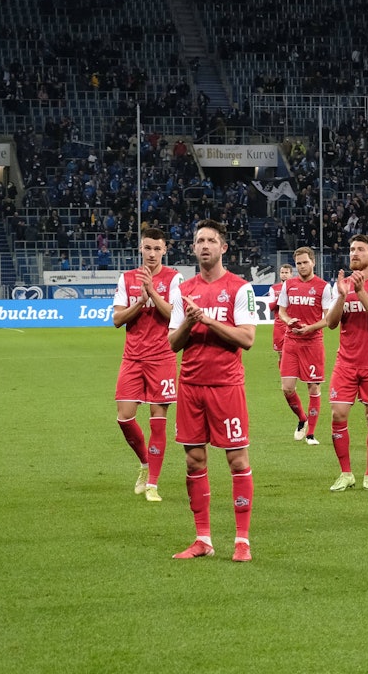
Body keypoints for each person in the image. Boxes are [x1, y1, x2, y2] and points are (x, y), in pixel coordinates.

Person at [168, 219, 257, 562]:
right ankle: (202, 538)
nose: (204, 246)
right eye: (199, 241)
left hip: (226, 386)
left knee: (237, 459)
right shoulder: (183, 290)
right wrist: (189, 322)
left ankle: (242, 541)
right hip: (190, 386)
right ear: (193, 248)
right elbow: (173, 344)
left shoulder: (240, 288)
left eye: (211, 240)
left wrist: (207, 320)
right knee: (194, 460)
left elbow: (247, 339)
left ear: (223, 247)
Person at [113, 227, 182, 502]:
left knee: (158, 422)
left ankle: (153, 483)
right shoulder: (127, 278)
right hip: (132, 357)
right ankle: (144, 463)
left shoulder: (174, 278)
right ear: (140, 249)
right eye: (147, 248)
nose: (152, 253)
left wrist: (152, 291)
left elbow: (174, 315)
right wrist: (140, 302)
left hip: (162, 357)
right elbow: (117, 320)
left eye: (157, 248)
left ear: (165, 250)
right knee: (124, 417)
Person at [324, 234, 368, 493]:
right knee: (338, 414)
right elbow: (331, 323)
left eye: (360, 249)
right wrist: (342, 297)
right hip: (345, 363)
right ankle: (346, 473)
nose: (354, 253)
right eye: (352, 249)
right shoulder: (340, 285)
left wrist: (361, 292)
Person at [277, 249, 334, 445]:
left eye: (305, 262)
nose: (301, 266)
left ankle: (311, 434)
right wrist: (288, 321)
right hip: (291, 341)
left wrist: (309, 328)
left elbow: (328, 319)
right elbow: (282, 311)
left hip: (312, 343)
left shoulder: (323, 287)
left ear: (313, 262)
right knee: (287, 388)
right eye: (298, 263)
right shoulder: (288, 285)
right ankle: (302, 418)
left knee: (313, 387)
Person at [269, 263, 294, 365]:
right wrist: (280, 298)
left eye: (286, 273)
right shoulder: (274, 288)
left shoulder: (295, 287)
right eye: (282, 272)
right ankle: (283, 373)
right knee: (281, 354)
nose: (284, 275)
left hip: (292, 323)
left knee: (293, 352)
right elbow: (271, 307)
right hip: (279, 325)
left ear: (291, 274)